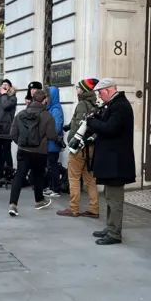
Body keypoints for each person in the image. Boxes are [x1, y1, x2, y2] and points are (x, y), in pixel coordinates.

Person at [87, 78, 136, 245]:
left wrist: (91, 121)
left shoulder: (120, 106)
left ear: (108, 90)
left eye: (100, 93)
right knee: (109, 196)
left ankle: (115, 233)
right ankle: (110, 227)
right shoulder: (114, 104)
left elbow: (109, 128)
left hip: (117, 162)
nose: (99, 97)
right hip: (112, 161)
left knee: (114, 199)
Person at [8, 89, 58, 216]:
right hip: (40, 152)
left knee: (19, 176)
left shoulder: (21, 114)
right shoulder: (47, 116)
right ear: (44, 100)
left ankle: (13, 205)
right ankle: (39, 201)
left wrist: (21, 143)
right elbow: (52, 135)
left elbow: (13, 134)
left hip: (23, 150)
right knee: (38, 176)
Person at [57, 78, 100, 218]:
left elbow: (78, 125)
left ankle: (73, 208)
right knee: (90, 180)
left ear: (83, 90)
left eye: (78, 87)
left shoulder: (82, 104)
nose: (76, 89)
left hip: (79, 147)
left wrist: (71, 140)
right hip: (91, 147)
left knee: (74, 178)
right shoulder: (96, 103)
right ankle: (94, 209)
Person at [0, 79, 17, 183]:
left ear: (10, 87)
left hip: (6, 130)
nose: (4, 86)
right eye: (3, 84)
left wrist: (4, 95)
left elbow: (6, 106)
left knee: (6, 153)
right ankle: (0, 174)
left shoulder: (12, 98)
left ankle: (9, 175)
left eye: (6, 85)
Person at [44, 86, 64, 198]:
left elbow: (56, 128)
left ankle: (56, 188)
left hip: (53, 143)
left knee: (53, 165)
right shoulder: (50, 108)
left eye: (47, 96)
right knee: (50, 165)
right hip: (49, 143)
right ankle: (51, 186)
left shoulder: (56, 109)